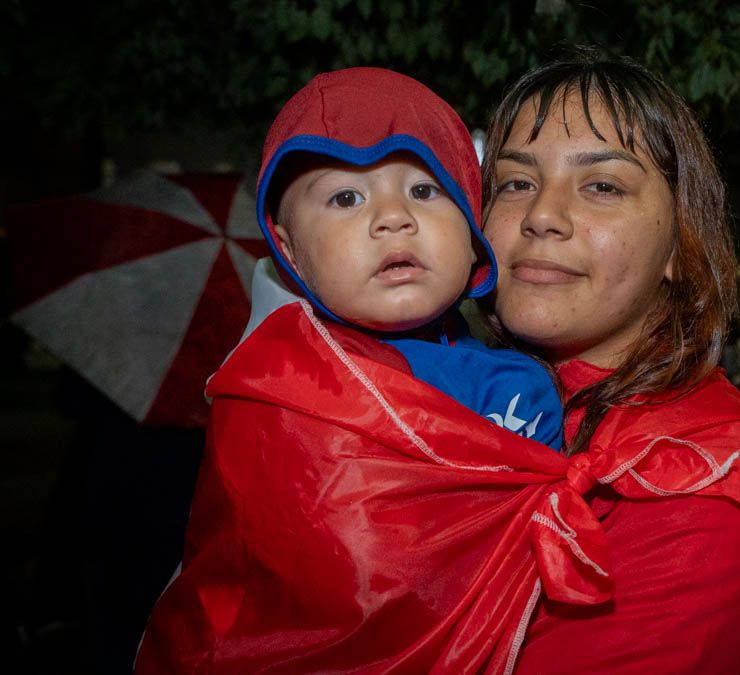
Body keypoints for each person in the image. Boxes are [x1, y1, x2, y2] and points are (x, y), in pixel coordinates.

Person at [137, 67, 581, 672]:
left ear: (473, 230)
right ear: (289, 251)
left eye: (425, 191)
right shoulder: (267, 384)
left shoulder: (515, 389)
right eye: (346, 198)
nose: (393, 218)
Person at [481, 51, 740, 672]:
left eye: (602, 185)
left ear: (679, 246)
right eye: (516, 182)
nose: (541, 215)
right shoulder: (455, 398)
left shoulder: (702, 491)